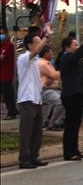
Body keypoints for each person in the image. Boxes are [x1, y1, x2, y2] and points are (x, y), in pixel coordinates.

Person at [60, 28, 83, 161]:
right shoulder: (66, 58)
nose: (76, 47)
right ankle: (69, 152)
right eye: (74, 45)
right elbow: (77, 54)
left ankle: (75, 150)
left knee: (75, 125)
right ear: (67, 47)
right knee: (71, 125)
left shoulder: (72, 59)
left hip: (77, 94)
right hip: (71, 95)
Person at [16, 30, 51, 169]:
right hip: (26, 99)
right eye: (37, 42)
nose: (40, 44)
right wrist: (46, 37)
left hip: (36, 98)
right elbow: (35, 52)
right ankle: (23, 159)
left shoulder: (36, 61)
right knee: (26, 132)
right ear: (30, 45)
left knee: (37, 131)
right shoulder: (24, 58)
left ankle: (33, 156)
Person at [38, 45, 65, 131]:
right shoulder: (43, 63)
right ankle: (53, 123)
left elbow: (53, 76)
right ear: (46, 53)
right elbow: (54, 75)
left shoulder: (47, 62)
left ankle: (55, 121)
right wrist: (64, 69)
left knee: (66, 99)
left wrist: (52, 76)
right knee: (60, 101)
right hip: (45, 89)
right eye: (51, 52)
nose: (52, 53)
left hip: (52, 88)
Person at [0, 25, 18, 120]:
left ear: (6, 34)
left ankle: (12, 112)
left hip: (6, 74)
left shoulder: (9, 45)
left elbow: (2, 57)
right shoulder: (1, 45)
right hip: (1, 74)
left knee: (8, 94)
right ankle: (11, 110)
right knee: (5, 93)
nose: (1, 35)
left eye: (2, 33)